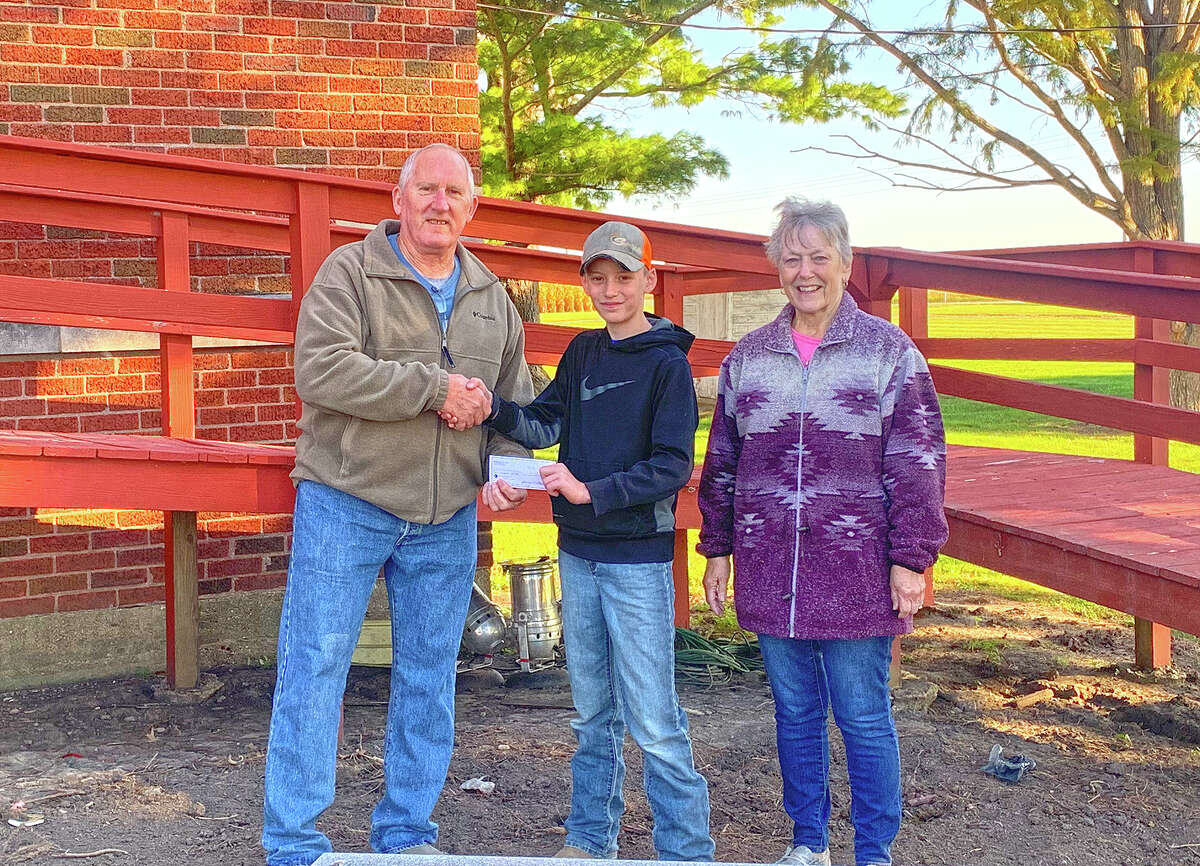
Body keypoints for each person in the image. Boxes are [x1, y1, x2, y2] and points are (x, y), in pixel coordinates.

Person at [261, 143, 534, 866]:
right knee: (315, 666)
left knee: (429, 675)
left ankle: (408, 835)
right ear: (398, 199)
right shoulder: (350, 273)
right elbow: (319, 371)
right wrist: (432, 388)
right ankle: (294, 843)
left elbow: (515, 406)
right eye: (426, 190)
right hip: (346, 499)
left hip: (446, 516)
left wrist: (508, 471)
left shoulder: (490, 298)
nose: (439, 205)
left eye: (454, 193)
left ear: (472, 207)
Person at [448, 221, 715, 862]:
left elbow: (672, 465)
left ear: (649, 281)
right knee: (591, 715)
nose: (609, 290)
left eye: (624, 277)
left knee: (654, 721)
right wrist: (495, 410)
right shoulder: (583, 353)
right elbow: (544, 423)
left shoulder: (668, 365)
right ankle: (590, 843)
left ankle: (688, 850)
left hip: (636, 561)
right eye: (597, 278)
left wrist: (591, 490)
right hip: (580, 556)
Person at [697, 198, 948, 866]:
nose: (804, 272)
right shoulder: (749, 357)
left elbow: (919, 460)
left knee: (864, 717)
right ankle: (808, 842)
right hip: (771, 567)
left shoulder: (888, 354)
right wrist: (717, 549)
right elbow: (722, 460)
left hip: (858, 572)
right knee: (795, 714)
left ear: (845, 263)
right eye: (791, 258)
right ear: (777, 267)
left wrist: (910, 559)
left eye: (818, 257)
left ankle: (874, 852)